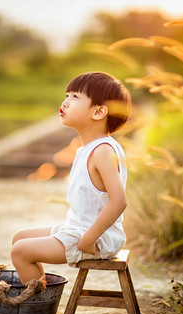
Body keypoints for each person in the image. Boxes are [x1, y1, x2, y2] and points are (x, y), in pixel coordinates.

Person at [11, 71, 131, 285]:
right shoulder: (87, 148)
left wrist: (89, 238)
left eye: (74, 97)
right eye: (67, 95)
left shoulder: (103, 151)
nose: (65, 102)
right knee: (20, 238)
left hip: (97, 238)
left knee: (21, 251)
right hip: (77, 227)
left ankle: (37, 310)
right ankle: (39, 295)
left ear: (99, 112)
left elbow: (119, 201)